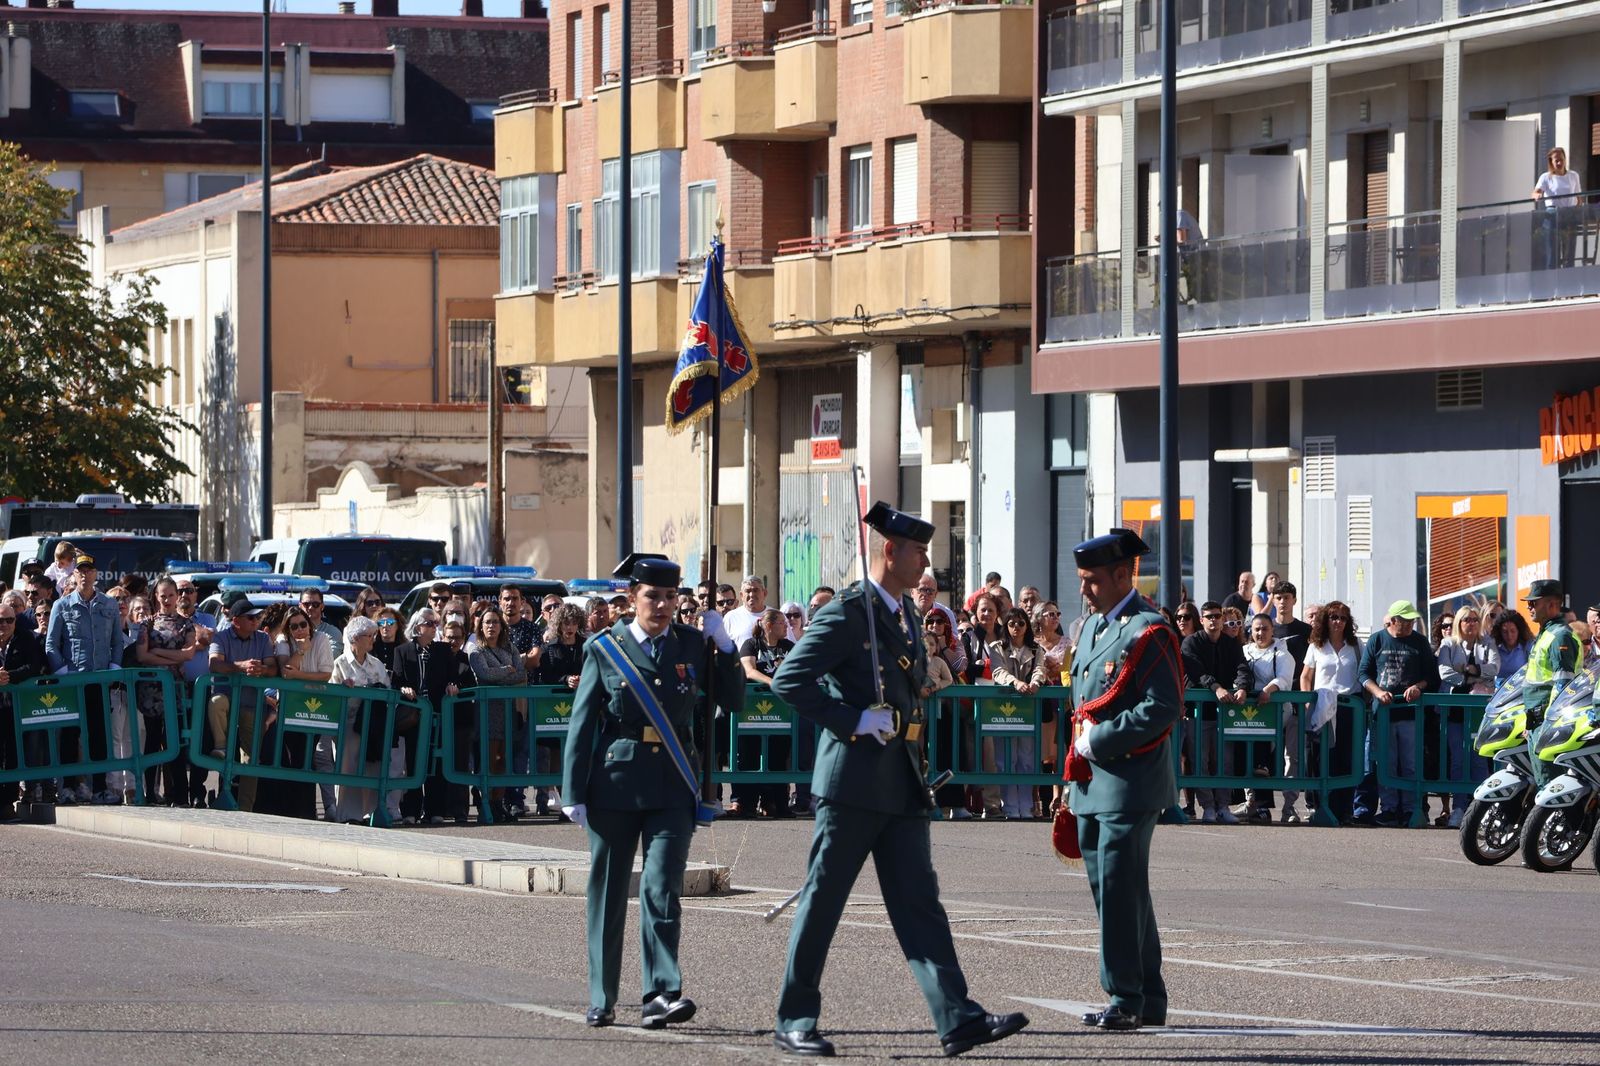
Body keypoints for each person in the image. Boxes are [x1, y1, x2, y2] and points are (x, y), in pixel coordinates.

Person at [770, 504, 1028, 1058]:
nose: (925, 562)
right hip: (853, 780)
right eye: (918, 552)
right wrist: (854, 719)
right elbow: (789, 679)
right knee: (823, 902)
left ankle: (957, 1017)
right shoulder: (849, 611)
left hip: (902, 779)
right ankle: (795, 1016)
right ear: (890, 551)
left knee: (920, 904)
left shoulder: (907, 615)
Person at [561, 553, 742, 1031]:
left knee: (662, 889)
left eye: (669, 597)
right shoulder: (606, 647)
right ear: (631, 599)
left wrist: (723, 647)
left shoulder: (692, 645)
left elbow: (734, 700)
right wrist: (572, 790)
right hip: (614, 786)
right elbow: (582, 723)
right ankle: (602, 995)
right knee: (608, 893)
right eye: (652, 596)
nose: (661, 606)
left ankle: (661, 992)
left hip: (672, 786)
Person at [1064, 528, 1181, 1032]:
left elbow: (1164, 705)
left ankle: (1124, 996)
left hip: (1130, 779)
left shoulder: (1148, 630)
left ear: (1120, 575)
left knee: (1117, 885)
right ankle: (1148, 996)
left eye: (1092, 581)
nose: (1085, 590)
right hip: (1093, 779)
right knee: (1121, 890)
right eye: (1082, 581)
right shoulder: (1091, 628)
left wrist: (1101, 740)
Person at [1351, 601, 1438, 827]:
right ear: (1394, 620)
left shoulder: (1419, 642)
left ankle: (1411, 808)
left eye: (1412, 621)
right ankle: (1389, 809)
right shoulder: (1377, 639)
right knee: (1387, 763)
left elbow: (1432, 676)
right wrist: (1378, 692)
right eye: (1405, 621)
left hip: (1411, 714)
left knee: (1410, 763)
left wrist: (1418, 686)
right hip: (1384, 713)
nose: (1410, 625)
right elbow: (1363, 674)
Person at [46, 555, 123, 805]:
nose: (85, 575)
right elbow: (51, 644)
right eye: (80, 570)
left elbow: (117, 642)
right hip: (72, 680)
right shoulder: (63, 605)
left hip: (99, 680)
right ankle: (67, 787)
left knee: (99, 734)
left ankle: (100, 788)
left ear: (95, 574)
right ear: (74, 575)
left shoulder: (109, 604)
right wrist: (62, 673)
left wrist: (113, 668)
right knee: (69, 734)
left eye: (89, 570)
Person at [206, 595, 279, 812]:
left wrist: (262, 670)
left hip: (252, 704)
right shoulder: (220, 637)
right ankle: (220, 747)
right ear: (236, 620)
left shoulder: (263, 639)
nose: (256, 621)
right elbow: (214, 665)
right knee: (216, 702)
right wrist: (241, 666)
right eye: (250, 618)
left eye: (257, 617)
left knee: (251, 759)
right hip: (228, 699)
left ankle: (245, 808)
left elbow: (273, 668)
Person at [389, 608, 462, 825]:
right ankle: (410, 810)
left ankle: (434, 810)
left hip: (437, 714)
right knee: (412, 762)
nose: (434, 627)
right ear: (418, 626)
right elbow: (396, 680)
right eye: (430, 623)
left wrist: (453, 684)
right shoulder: (402, 651)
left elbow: (453, 676)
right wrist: (404, 689)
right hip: (414, 714)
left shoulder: (442, 650)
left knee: (436, 762)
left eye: (435, 623)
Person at [1180, 600, 1250, 823]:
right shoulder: (1191, 642)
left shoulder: (1231, 643)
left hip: (1225, 713)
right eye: (1209, 616)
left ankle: (1223, 807)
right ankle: (1208, 807)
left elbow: (1242, 667)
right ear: (1201, 620)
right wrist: (1216, 687)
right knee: (1199, 761)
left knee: (1225, 762)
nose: (1214, 620)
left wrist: (1241, 687)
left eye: (1217, 616)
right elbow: (1196, 672)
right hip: (1197, 712)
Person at [1300, 600, 1362, 824]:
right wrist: (1308, 701)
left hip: (1348, 706)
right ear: (1326, 619)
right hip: (1322, 706)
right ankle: (1318, 806)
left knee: (1345, 758)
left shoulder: (1355, 646)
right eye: (1334, 617)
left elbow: (1363, 675)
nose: (1338, 622)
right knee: (1320, 757)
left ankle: (1343, 809)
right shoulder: (1317, 645)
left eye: (1343, 618)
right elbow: (1306, 676)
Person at [1436, 606, 1498, 828]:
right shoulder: (1448, 644)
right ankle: (1459, 808)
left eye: (1474, 619)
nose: (1470, 623)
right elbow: (1445, 672)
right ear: (1458, 624)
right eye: (1465, 620)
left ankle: (1481, 809)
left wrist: (1472, 669)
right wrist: (1467, 680)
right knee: (1458, 759)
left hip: (1479, 710)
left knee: (1478, 759)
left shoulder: (1487, 642)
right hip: (1454, 709)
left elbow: (1494, 667)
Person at [733, 607, 796, 819]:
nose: (786, 626)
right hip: (752, 711)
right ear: (769, 625)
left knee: (779, 756)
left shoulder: (788, 646)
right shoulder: (751, 644)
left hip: (781, 713)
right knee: (750, 755)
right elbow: (749, 670)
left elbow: (797, 668)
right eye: (782, 622)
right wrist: (773, 682)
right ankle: (748, 804)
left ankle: (777, 803)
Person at [1519, 580, 1584, 787]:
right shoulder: (1546, 633)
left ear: (1552, 604)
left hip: (1547, 722)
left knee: (1551, 784)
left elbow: (1563, 684)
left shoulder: (1560, 636)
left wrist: (1549, 723)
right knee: (1544, 781)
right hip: (1537, 722)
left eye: (1534, 603)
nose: (1529, 607)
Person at [328, 615, 390, 824]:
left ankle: (371, 813)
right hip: (349, 723)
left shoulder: (377, 664)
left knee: (372, 768)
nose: (373, 639)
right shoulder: (340, 663)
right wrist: (342, 689)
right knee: (347, 767)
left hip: (373, 725)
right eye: (369, 635)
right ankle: (347, 814)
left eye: (374, 635)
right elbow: (331, 692)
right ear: (354, 638)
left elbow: (387, 689)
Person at [469, 607, 528, 824]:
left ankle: (499, 801)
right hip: (486, 712)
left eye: (495, 622)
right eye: (487, 622)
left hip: (508, 711)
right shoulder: (476, 651)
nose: (491, 626)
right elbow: (484, 675)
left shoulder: (509, 648)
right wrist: (507, 670)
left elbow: (521, 674)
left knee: (504, 758)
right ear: (481, 626)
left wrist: (505, 673)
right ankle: (487, 803)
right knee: (488, 759)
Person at [989, 606, 1047, 819]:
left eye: (1021, 623)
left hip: (1028, 708)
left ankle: (1026, 806)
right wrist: (1016, 683)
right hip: (1003, 708)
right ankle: (1010, 807)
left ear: (1027, 626)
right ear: (1006, 626)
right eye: (1012, 623)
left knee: (1027, 758)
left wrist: (1035, 682)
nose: (1016, 628)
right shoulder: (997, 647)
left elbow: (1041, 667)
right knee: (1006, 758)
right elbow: (998, 671)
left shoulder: (1035, 649)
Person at [1243, 614, 1298, 823]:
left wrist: (1268, 689)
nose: (1260, 633)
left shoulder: (1283, 654)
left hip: (1277, 712)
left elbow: (1284, 678)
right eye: (1257, 629)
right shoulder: (1244, 651)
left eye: (1265, 628)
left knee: (1289, 760)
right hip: (1247, 713)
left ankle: (1288, 808)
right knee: (1249, 758)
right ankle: (1254, 805)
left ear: (1272, 630)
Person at [0, 600, 48, 816]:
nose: (5, 624)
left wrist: (10, 676)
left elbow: (34, 666)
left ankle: (7, 801)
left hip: (14, 705)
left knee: (12, 752)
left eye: (10, 620)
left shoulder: (26, 638)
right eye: (0, 621)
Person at [1532, 146, 1583, 270]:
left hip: (1570, 215)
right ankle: (1552, 284)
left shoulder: (1573, 175)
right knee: (1552, 251)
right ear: (1551, 162)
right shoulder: (1546, 177)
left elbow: (1579, 197)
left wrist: (1577, 210)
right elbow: (1535, 192)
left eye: (1561, 159)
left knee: (1569, 251)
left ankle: (1569, 282)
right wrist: (1537, 195)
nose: (1559, 163)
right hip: (1552, 215)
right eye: (1556, 160)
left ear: (1565, 159)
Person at [723, 574, 768, 647]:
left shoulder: (777, 616)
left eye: (755, 590)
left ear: (765, 593)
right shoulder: (730, 618)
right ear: (741, 595)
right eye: (748, 591)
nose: (751, 595)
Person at [1493, 610, 1533, 686]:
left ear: (1519, 631)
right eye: (1505, 632)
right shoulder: (1495, 648)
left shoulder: (1528, 647)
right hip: (1499, 691)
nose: (1509, 636)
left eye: (1513, 631)